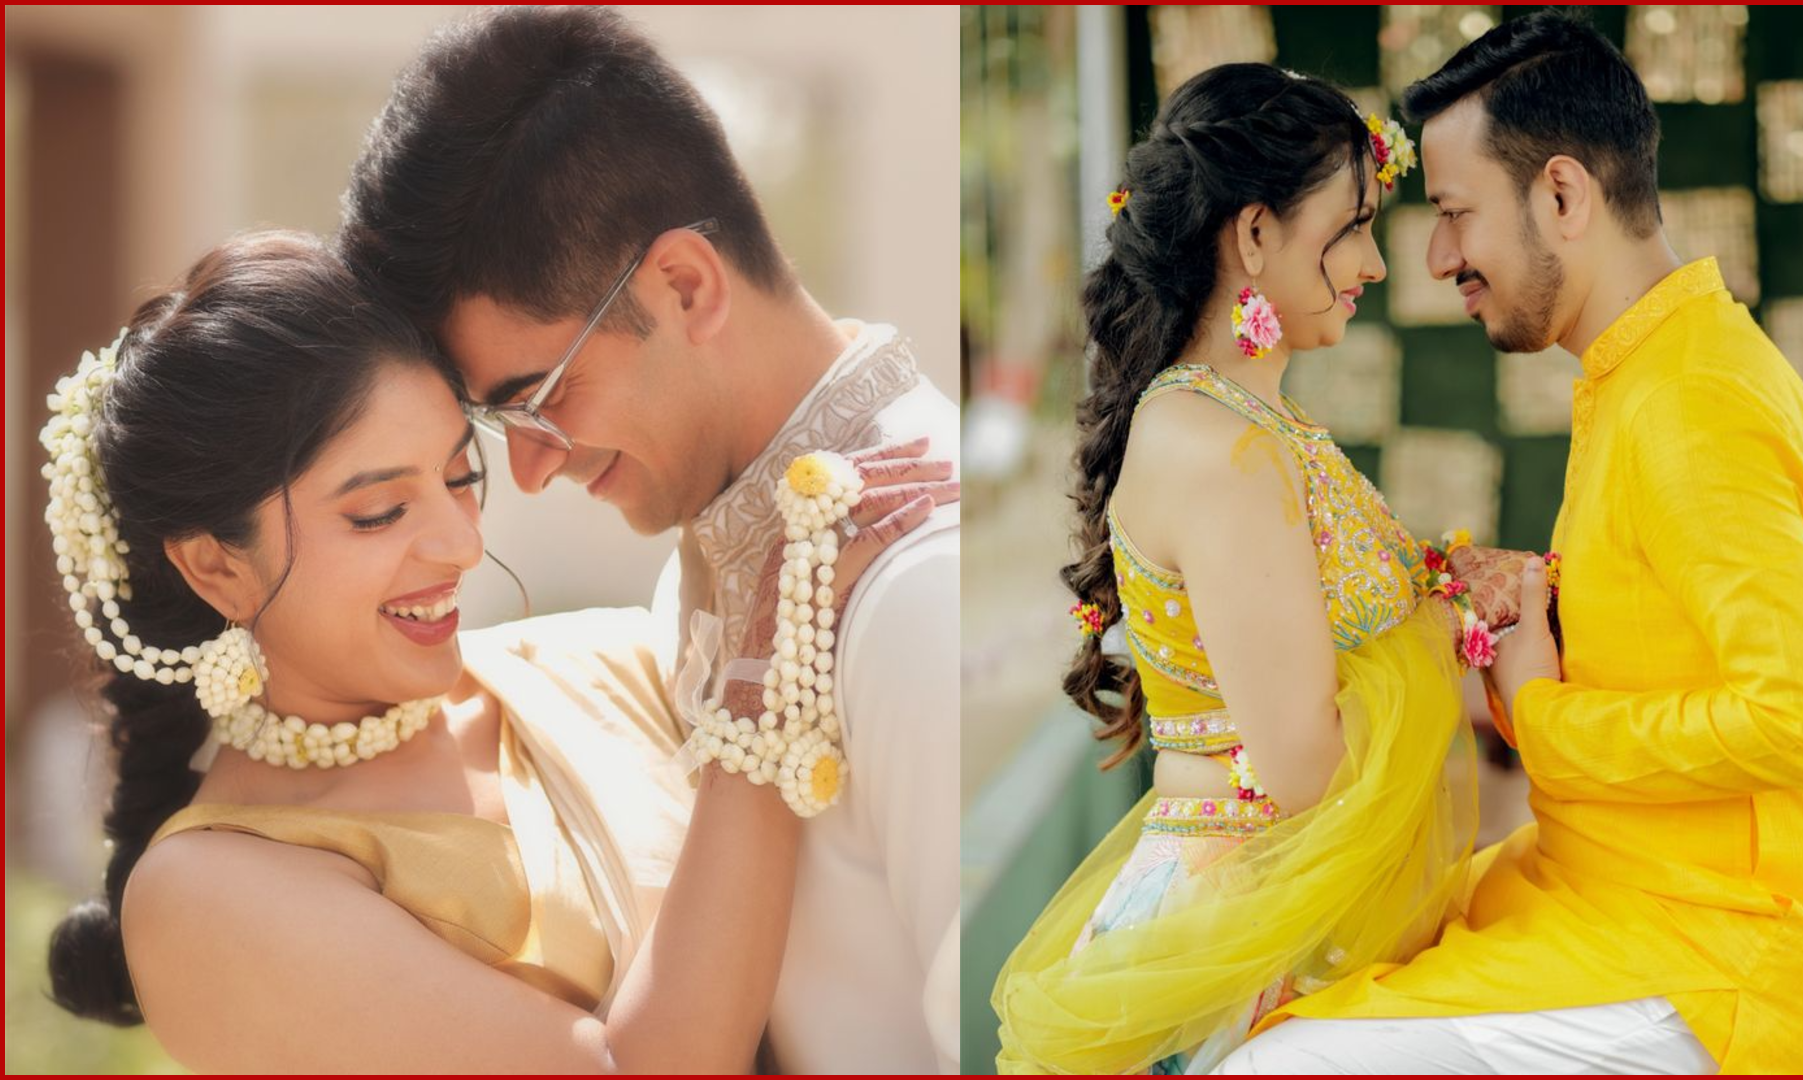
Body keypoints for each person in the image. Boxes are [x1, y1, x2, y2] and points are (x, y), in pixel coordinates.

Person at [42, 231, 941, 1073]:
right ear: (215, 565)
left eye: (459, 477)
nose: (462, 546)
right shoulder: (207, 894)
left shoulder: (593, 661)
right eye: (380, 512)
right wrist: (760, 709)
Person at [1221, 13, 1803, 1074]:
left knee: (1272, 1069)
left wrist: (1545, 715)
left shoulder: (1689, 405)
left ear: (1562, 196)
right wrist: (1540, 597)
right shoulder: (1647, 371)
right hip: (1621, 893)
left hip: (1737, 955)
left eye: (1456, 213)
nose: (1438, 257)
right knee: (1310, 971)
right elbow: (1674, 628)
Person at [334, 7, 962, 1071]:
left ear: (685, 286)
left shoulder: (912, 584)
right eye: (499, 424)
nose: (531, 470)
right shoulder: (719, 560)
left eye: (541, 397)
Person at [992, 63, 1508, 1074]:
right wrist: (1449, 626)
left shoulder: (1256, 425)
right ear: (1257, 234)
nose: (1373, 265)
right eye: (1352, 228)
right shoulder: (1214, 444)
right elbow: (1305, 767)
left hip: (1287, 914)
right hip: (1237, 943)